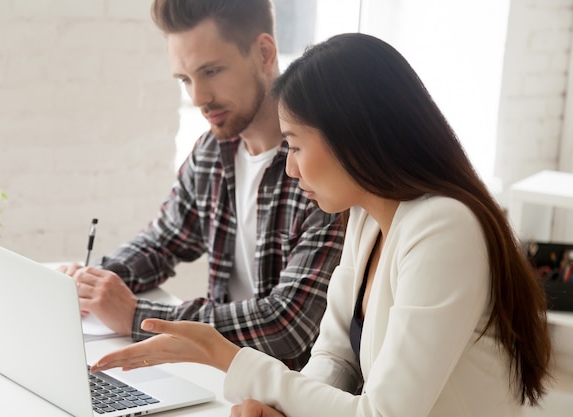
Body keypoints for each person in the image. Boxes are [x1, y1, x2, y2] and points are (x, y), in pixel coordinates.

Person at [90, 33, 553, 417]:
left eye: (293, 145)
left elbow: (385, 413)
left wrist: (228, 357)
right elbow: (335, 358)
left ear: (352, 135)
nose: (290, 169)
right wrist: (280, 407)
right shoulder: (366, 220)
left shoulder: (443, 227)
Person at [58, 0, 345, 371]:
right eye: (185, 79)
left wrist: (136, 315)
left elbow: (286, 325)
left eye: (211, 71)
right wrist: (90, 281)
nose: (197, 98)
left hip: (288, 396)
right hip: (219, 378)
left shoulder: (322, 167)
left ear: (264, 53)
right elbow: (163, 241)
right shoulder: (214, 150)